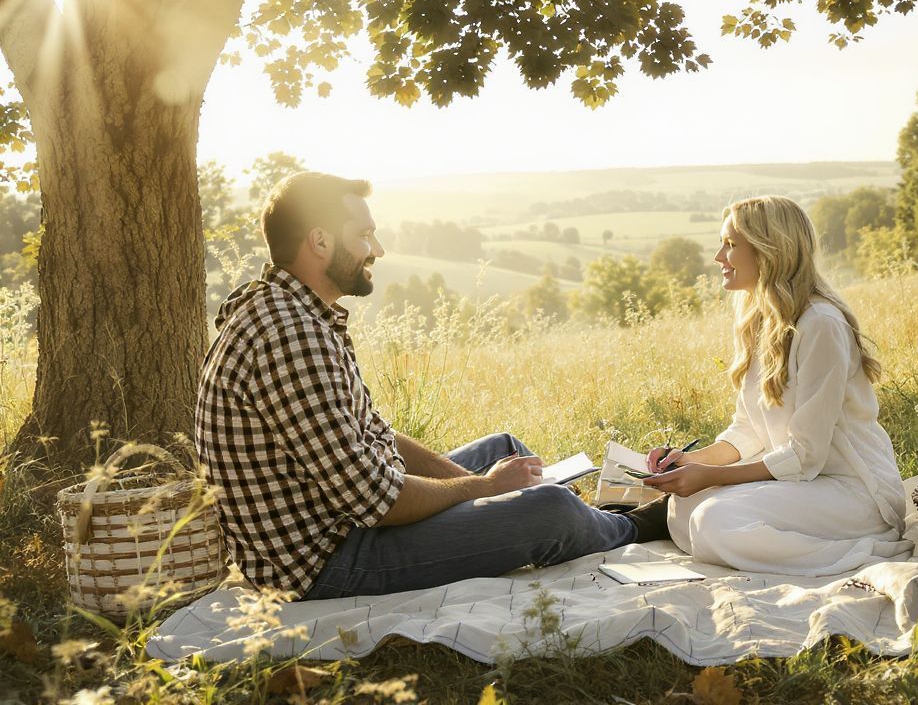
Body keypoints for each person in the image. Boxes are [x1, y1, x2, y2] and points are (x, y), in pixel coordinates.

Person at [196, 172, 666, 600]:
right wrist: (480, 488)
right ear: (319, 241)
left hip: (345, 515)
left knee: (504, 448)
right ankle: (630, 528)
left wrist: (480, 484)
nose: (376, 249)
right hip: (328, 562)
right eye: (363, 235)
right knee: (549, 510)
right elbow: (374, 500)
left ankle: (593, 521)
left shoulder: (293, 312)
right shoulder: (289, 334)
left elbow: (372, 434)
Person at [640, 195, 912, 575]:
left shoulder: (822, 325)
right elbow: (747, 430)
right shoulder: (760, 322)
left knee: (711, 522)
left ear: (770, 251)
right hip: (803, 485)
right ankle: (762, 546)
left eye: (732, 245)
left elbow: (806, 455)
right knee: (684, 508)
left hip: (851, 491)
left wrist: (713, 477)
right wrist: (689, 463)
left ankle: (865, 548)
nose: (720, 256)